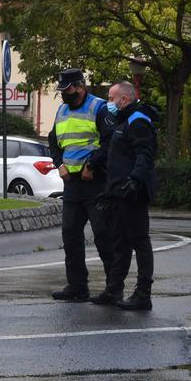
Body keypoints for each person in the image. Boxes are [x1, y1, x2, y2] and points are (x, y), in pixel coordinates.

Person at [48, 68, 115, 302]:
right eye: (62, 90)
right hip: (72, 184)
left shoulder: (99, 107)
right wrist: (59, 164)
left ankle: (113, 288)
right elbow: (53, 142)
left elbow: (110, 142)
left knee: (103, 234)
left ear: (80, 86)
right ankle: (77, 286)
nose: (64, 94)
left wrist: (92, 165)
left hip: (95, 182)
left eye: (67, 89)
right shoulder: (62, 110)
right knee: (70, 235)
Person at [92, 81, 159, 311]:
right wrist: (109, 192)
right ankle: (114, 289)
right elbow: (118, 161)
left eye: (111, 98)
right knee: (120, 243)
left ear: (124, 99)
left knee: (139, 241)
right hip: (120, 193)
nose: (109, 103)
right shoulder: (123, 121)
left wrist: (135, 180)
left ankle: (143, 294)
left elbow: (144, 154)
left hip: (134, 193)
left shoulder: (138, 120)